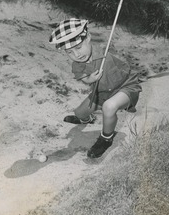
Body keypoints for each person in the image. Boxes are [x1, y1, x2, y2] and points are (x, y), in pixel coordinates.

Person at [49, 18, 142, 158]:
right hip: (101, 92)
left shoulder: (106, 51)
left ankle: (106, 139)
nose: (76, 55)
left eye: (78, 48)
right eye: (69, 52)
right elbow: (84, 78)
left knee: (109, 107)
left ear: (88, 38)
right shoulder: (77, 65)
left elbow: (128, 69)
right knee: (79, 112)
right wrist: (91, 79)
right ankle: (86, 120)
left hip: (125, 87)